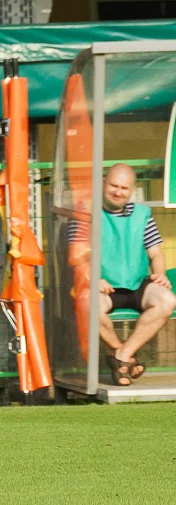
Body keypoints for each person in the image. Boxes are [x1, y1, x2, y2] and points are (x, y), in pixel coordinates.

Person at [69, 163, 176, 386]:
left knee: (167, 300)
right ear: (103, 183)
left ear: (131, 190)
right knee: (87, 303)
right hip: (102, 286)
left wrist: (160, 275)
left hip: (138, 284)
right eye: (114, 186)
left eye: (124, 188)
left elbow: (156, 253)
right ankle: (124, 357)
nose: (118, 192)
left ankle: (122, 356)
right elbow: (76, 256)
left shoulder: (142, 214)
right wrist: (93, 278)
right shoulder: (84, 211)